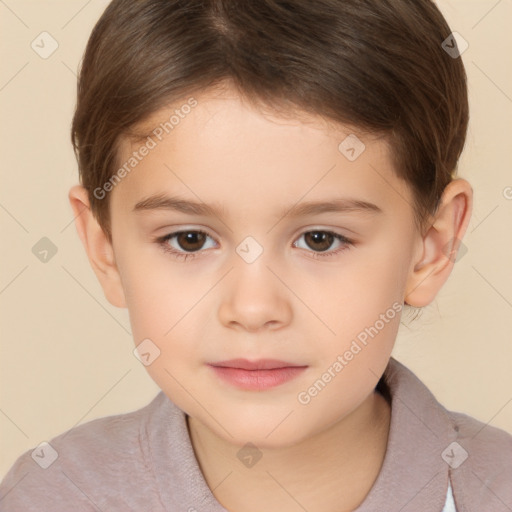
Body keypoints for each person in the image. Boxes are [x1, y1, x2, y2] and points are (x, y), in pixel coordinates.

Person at [1, 0, 511, 510]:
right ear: (105, 247)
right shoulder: (52, 495)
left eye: (320, 239)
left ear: (432, 245)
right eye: (189, 240)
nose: (252, 308)